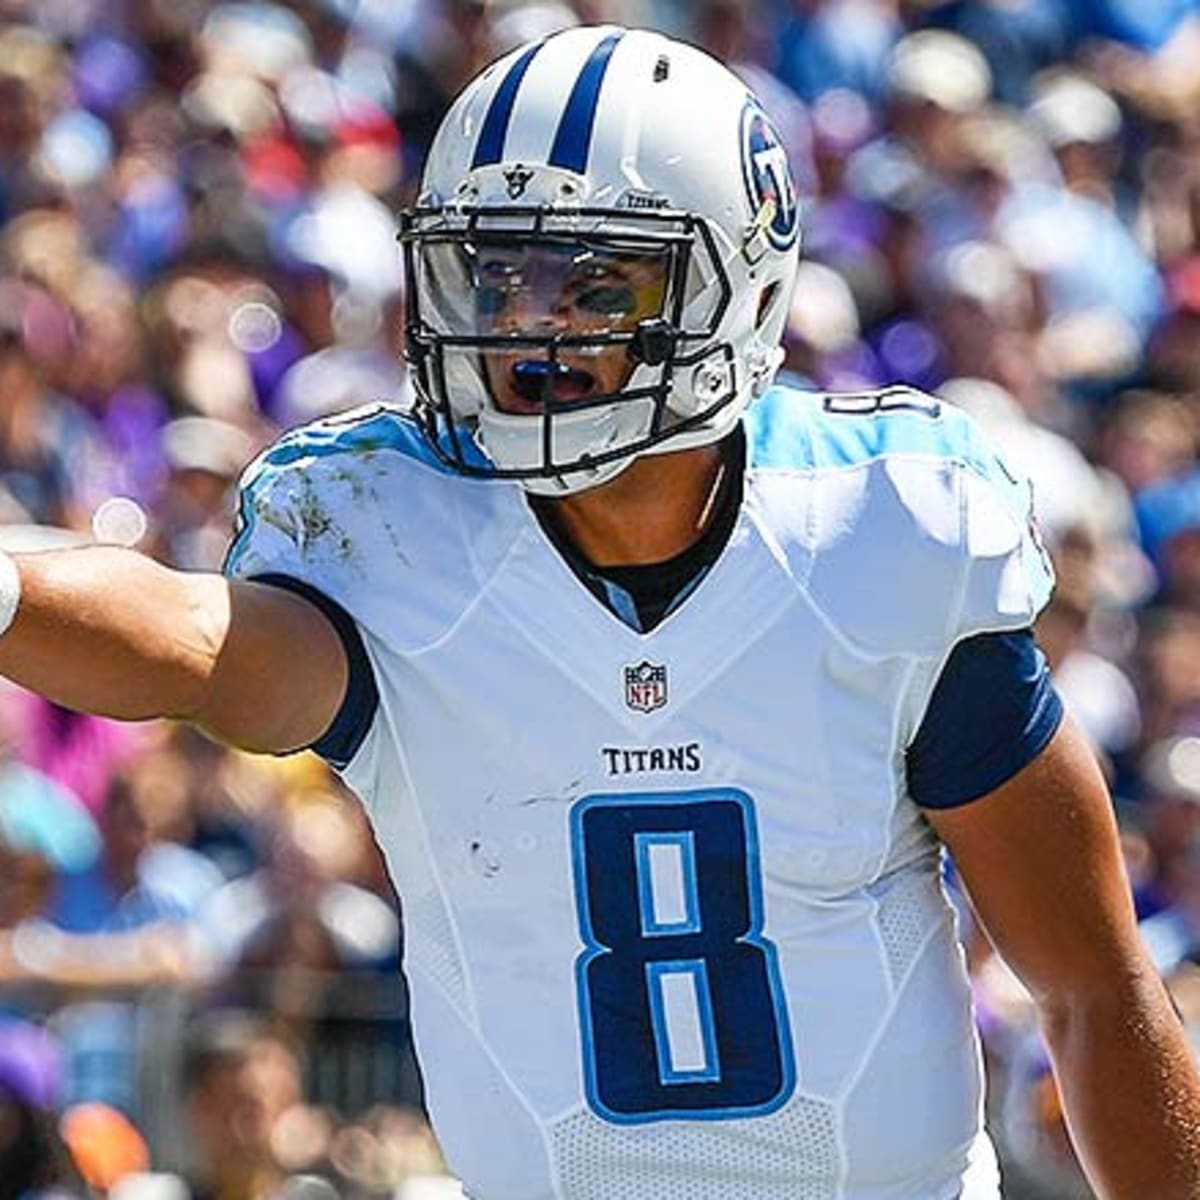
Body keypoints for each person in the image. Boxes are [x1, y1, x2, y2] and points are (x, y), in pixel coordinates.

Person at [0, 24, 1196, 1200]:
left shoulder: (881, 534)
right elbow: (195, 643)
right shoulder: (390, 533)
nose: (529, 325)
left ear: (740, 280)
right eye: (496, 272)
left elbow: (1093, 990)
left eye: (595, 281)